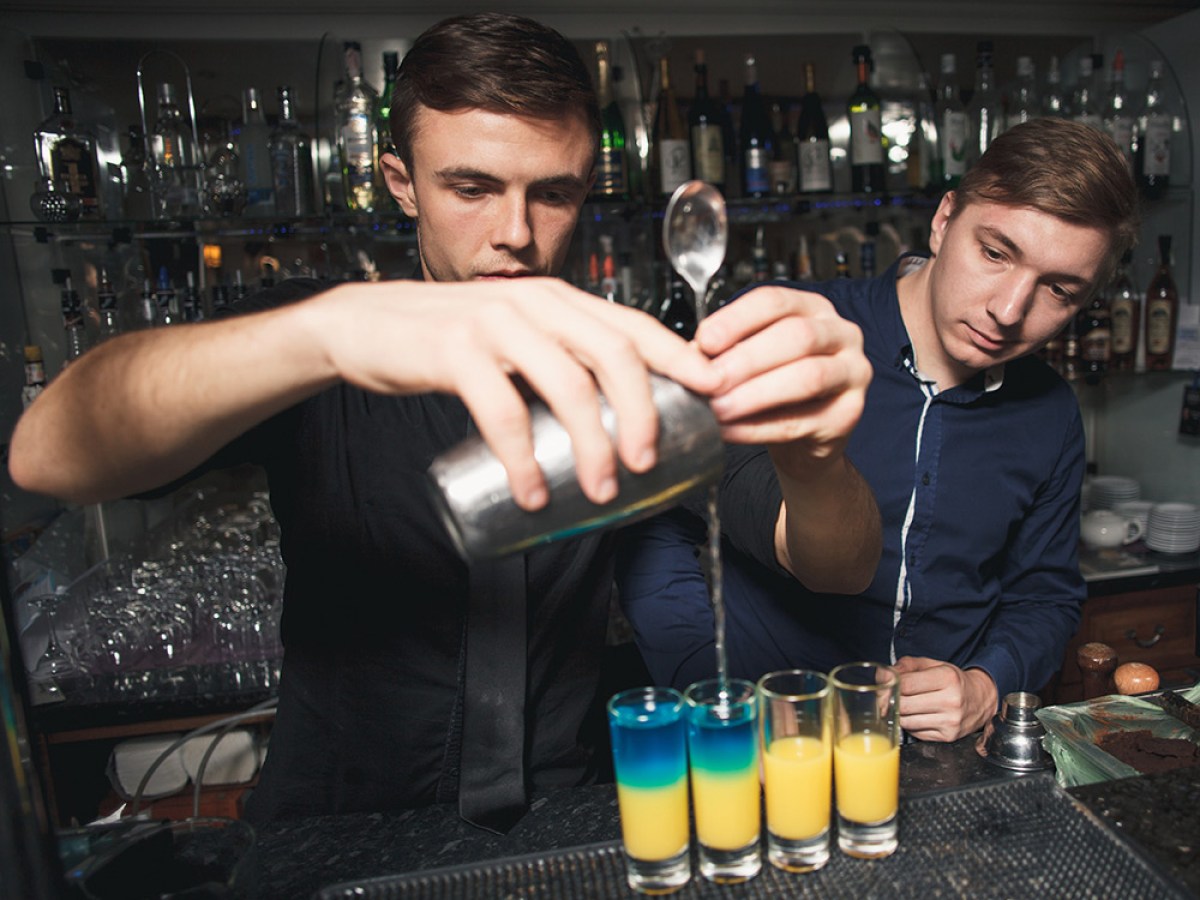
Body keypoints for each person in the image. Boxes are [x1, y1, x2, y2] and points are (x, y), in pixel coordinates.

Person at [9, 13, 877, 828]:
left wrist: (818, 461)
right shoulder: (317, 340)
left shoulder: (625, 359)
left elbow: (838, 566)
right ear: (401, 182)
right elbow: (48, 453)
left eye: (554, 195)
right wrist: (322, 334)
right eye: (472, 186)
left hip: (562, 821)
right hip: (336, 826)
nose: (515, 233)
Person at [618, 117, 1140, 743]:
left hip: (939, 760)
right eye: (995, 253)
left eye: (1057, 289)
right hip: (766, 749)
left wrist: (986, 683)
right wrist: (702, 683)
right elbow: (662, 527)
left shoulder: (1050, 413)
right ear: (945, 220)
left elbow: (1045, 597)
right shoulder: (793, 335)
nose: (1008, 312)